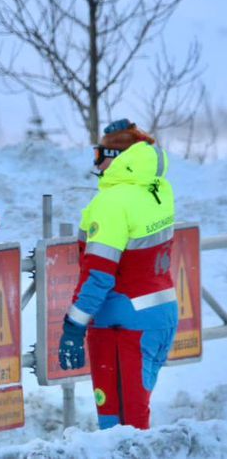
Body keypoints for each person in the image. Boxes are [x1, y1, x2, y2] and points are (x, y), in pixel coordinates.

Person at [58, 118, 178, 430]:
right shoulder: (158, 190)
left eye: (99, 155)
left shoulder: (112, 203)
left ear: (116, 159)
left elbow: (99, 276)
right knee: (138, 421)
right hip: (158, 315)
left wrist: (73, 327)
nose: (96, 163)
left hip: (122, 326)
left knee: (117, 429)